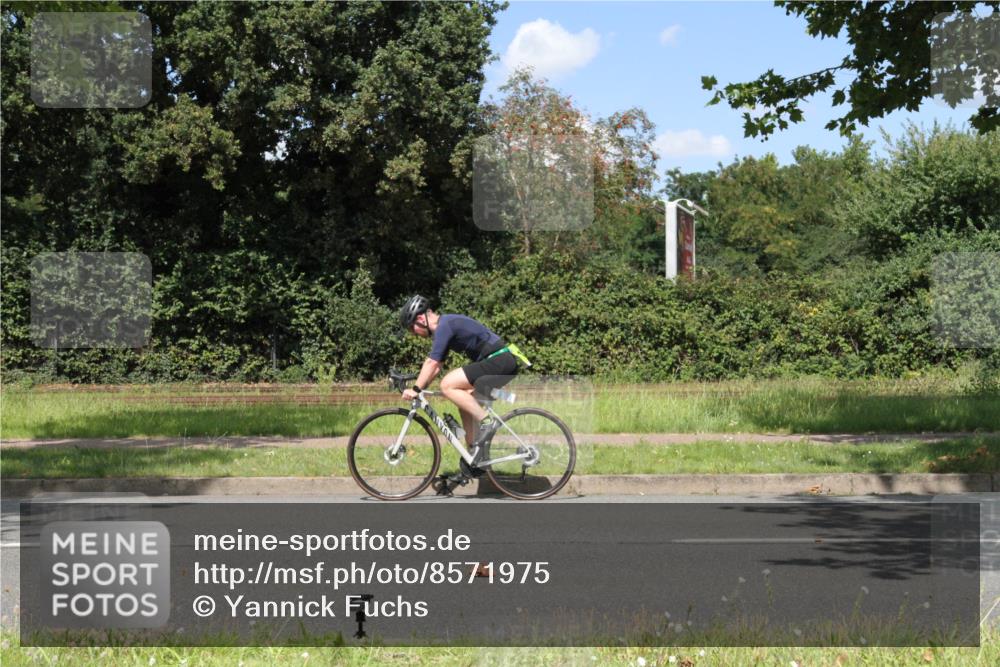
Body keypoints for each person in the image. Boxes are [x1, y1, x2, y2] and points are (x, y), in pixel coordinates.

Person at [398, 295, 528, 468]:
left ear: (421, 319)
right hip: (500, 361)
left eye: (412, 329)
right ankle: (474, 459)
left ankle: (487, 422)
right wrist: (421, 387)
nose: (414, 334)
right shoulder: (445, 327)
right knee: (465, 403)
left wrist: (415, 389)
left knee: (447, 385)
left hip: (499, 360)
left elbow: (431, 363)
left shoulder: (445, 325)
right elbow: (436, 367)